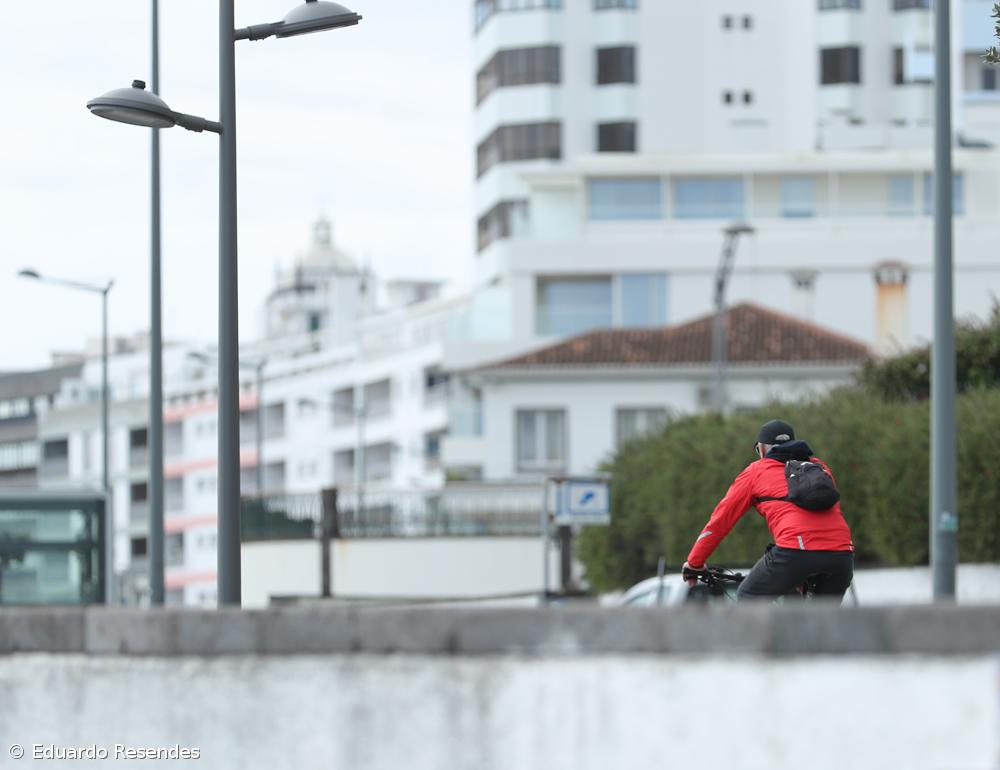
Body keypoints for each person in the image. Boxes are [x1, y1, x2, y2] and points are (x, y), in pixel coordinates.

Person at [681, 419, 854, 601]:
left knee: (748, 596)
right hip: (842, 555)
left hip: (795, 551)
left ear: (762, 450)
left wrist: (695, 562)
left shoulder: (756, 471)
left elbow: (721, 520)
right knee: (823, 621)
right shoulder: (820, 468)